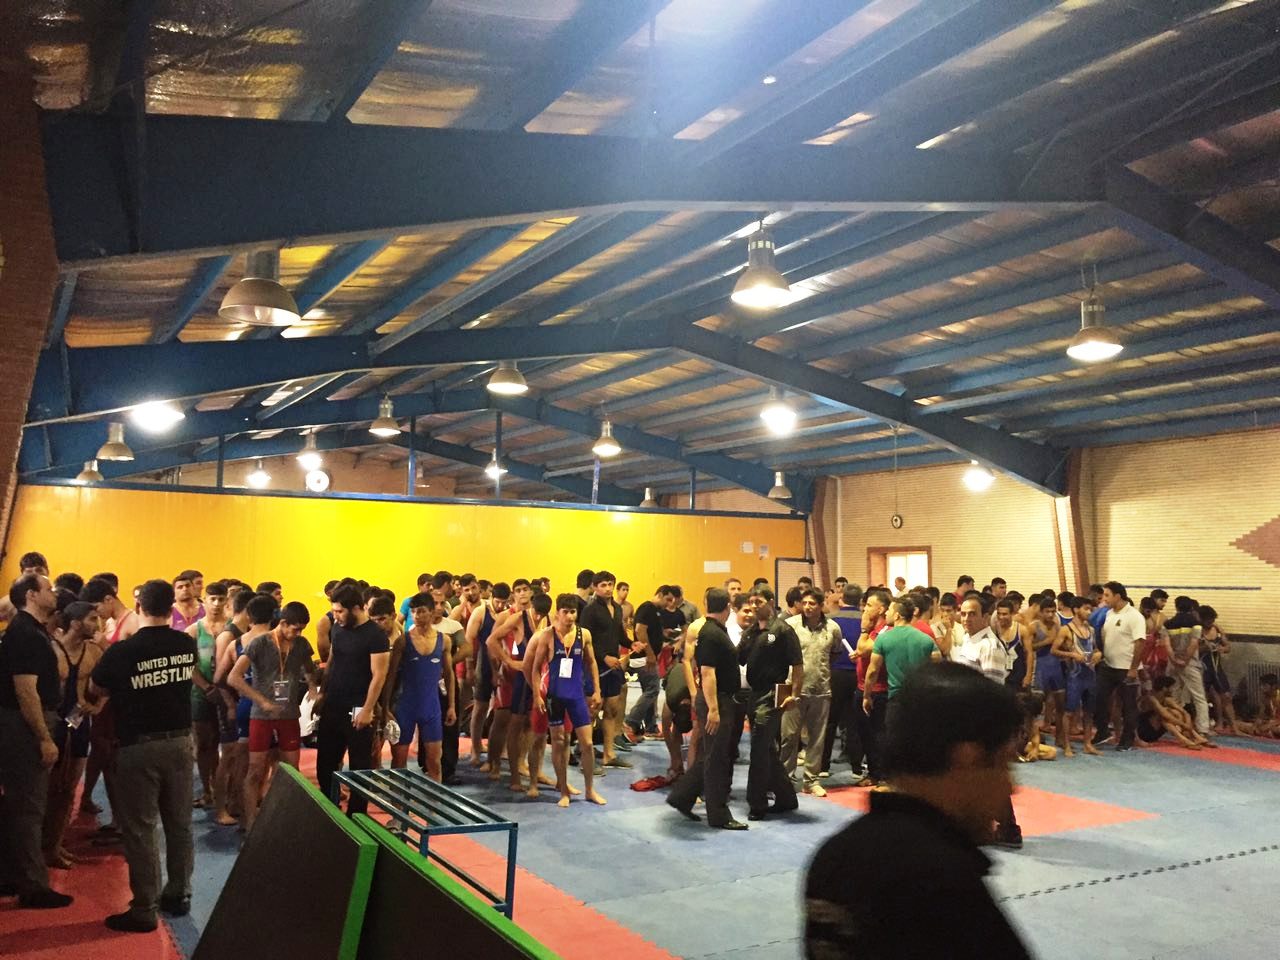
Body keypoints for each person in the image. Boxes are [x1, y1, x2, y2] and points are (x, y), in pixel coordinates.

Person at [805, 662, 1031, 960]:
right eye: (1003, 764)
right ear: (968, 759)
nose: (1011, 787)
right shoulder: (943, 883)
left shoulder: (835, 856)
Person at [88, 578, 198, 932]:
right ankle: (179, 894)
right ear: (171, 607)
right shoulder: (186, 644)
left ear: (139, 607)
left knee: (141, 829)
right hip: (181, 742)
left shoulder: (123, 651)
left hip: (139, 745)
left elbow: (96, 687)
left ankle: (144, 909)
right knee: (180, 824)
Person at [0, 573, 73, 909]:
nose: (53, 594)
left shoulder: (30, 631)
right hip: (26, 725)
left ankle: (12, 875)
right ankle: (33, 886)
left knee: (20, 804)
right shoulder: (26, 634)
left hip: (24, 721)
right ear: (31, 595)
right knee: (29, 806)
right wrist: (44, 737)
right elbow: (26, 690)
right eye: (48, 589)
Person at [229, 598, 318, 832]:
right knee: (255, 770)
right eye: (295, 629)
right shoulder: (260, 643)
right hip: (261, 716)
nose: (298, 634)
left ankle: (282, 820)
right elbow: (234, 677)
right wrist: (261, 701)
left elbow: (310, 669)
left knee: (291, 771)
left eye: (302, 630)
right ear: (283, 623)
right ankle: (250, 823)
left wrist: (312, 687)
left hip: (288, 715)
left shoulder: (301, 644)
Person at [667, 588, 745, 829]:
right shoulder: (711, 633)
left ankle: (682, 796)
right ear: (728, 607)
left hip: (719, 699)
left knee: (711, 754)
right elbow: (707, 673)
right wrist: (713, 709)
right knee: (717, 759)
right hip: (717, 700)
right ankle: (718, 814)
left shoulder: (712, 630)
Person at [953, 596, 1022, 849]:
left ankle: (1009, 829)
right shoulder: (968, 640)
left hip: (982, 721)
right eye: (963, 613)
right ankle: (985, 826)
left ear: (984, 616)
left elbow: (992, 690)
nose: (966, 618)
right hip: (966, 718)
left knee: (987, 776)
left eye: (972, 614)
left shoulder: (989, 645)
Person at [316, 585, 390, 815]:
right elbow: (332, 662)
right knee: (325, 762)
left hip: (358, 706)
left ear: (356, 608)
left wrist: (368, 709)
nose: (335, 616)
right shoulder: (338, 629)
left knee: (359, 765)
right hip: (333, 703)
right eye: (334, 611)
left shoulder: (375, 635)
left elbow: (379, 675)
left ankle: (356, 814)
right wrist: (322, 693)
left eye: (339, 611)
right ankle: (329, 808)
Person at [526, 594, 604, 807]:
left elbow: (592, 663)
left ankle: (590, 790)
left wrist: (597, 690)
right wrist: (537, 695)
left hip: (576, 696)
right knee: (558, 743)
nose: (570, 616)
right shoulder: (547, 636)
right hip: (554, 697)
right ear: (557, 613)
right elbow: (535, 668)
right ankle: (563, 790)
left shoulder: (583, 634)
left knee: (587, 743)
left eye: (573, 612)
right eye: (565, 612)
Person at [44, 600, 104, 869]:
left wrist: (98, 706)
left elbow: (110, 681)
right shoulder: (51, 650)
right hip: (53, 724)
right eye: (92, 619)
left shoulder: (94, 651)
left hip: (78, 723)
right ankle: (39, 846)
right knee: (47, 789)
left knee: (68, 789)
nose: (97, 624)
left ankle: (55, 846)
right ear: (76, 623)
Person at [738, 587, 802, 821]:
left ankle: (757, 804)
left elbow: (798, 665)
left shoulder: (783, 630)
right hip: (754, 693)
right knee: (766, 749)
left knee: (758, 748)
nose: (754, 606)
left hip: (773, 695)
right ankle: (786, 797)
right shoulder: (751, 632)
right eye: (752, 602)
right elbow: (738, 658)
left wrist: (794, 695)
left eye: (759, 601)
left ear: (771, 602)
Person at [387, 593, 455, 781]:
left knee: (434, 762)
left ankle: (434, 800)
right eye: (414, 612)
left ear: (432, 612)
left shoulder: (444, 641)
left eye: (421, 611)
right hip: (405, 708)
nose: (416, 616)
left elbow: (449, 675)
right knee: (399, 762)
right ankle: (398, 799)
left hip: (431, 708)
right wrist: (385, 708)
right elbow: (391, 677)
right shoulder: (403, 641)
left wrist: (451, 706)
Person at [782, 588, 840, 797]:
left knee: (817, 738)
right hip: (793, 690)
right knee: (789, 737)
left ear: (821, 605)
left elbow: (835, 654)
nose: (807, 607)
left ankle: (811, 780)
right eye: (804, 603)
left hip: (821, 689)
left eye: (812, 603)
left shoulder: (833, 628)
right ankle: (785, 779)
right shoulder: (790, 626)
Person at [864, 596, 940, 733]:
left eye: (889, 610)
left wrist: (866, 695)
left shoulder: (883, 639)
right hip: (920, 699)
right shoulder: (927, 640)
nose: (886, 613)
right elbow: (937, 669)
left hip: (896, 698)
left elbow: (873, 671)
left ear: (897, 615)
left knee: (895, 737)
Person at [210, 586, 252, 826]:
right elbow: (220, 677)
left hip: (237, 701)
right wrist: (230, 705)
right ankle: (219, 809)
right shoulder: (228, 636)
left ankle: (235, 801)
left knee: (238, 757)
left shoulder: (243, 633)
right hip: (229, 702)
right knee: (227, 757)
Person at [580, 571, 630, 768]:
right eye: (603, 585)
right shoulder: (589, 611)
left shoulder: (617, 608)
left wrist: (632, 644)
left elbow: (619, 634)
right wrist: (603, 657)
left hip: (614, 667)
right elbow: (585, 639)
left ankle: (609, 754)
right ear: (595, 587)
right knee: (591, 712)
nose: (608, 588)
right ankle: (584, 754)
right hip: (595, 667)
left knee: (611, 710)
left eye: (610, 584)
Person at [186, 581, 227, 810]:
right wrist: (206, 687)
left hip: (226, 694)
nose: (217, 604)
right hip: (201, 694)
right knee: (203, 744)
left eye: (221, 599)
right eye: (213, 599)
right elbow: (188, 664)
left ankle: (222, 788)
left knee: (225, 744)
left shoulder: (232, 628)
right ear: (205, 601)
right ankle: (206, 790)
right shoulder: (193, 631)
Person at [1092, 581, 1146, 751]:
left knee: (1128, 705)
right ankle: (1102, 731)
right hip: (1107, 665)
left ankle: (1127, 739)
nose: (1104, 599)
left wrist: (1133, 668)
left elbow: (1140, 643)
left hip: (1126, 668)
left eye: (1107, 595)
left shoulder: (1135, 616)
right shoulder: (1108, 614)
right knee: (1098, 699)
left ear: (1118, 596)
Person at [465, 582, 510, 767]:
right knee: (480, 707)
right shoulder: (480, 612)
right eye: (498, 601)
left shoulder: (509, 613)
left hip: (503, 663)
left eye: (504, 602)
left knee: (504, 710)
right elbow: (469, 639)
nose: (500, 605)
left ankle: (502, 748)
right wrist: (469, 668)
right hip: (483, 663)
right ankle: (475, 749)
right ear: (491, 597)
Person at [822, 583, 863, 776]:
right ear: (860, 601)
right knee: (854, 721)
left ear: (841, 599)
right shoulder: (865, 621)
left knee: (830, 721)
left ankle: (823, 766)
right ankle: (856, 766)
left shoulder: (830, 621)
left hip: (835, 673)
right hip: (858, 674)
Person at [1054, 595, 1102, 757]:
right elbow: (1054, 650)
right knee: (1069, 712)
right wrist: (1072, 655)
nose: (1089, 612)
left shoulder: (1091, 630)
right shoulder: (1066, 630)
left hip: (1090, 675)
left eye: (1090, 609)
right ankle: (1067, 744)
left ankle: (1088, 743)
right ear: (1076, 609)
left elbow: (1095, 649)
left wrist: (1098, 654)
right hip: (1075, 676)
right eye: (1086, 609)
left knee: (1089, 712)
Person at [853, 589, 890, 787]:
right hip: (862, 687)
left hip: (879, 690)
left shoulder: (885, 630)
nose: (864, 609)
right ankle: (873, 773)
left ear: (881, 609)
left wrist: (863, 630)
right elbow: (862, 651)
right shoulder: (873, 630)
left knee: (879, 734)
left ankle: (883, 775)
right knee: (865, 734)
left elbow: (865, 648)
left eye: (869, 605)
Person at [1164, 596, 1210, 738]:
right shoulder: (1196, 624)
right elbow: (1194, 643)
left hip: (1172, 664)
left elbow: (1167, 645)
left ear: (1176, 607)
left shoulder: (1168, 624)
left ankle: (1176, 725)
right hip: (1190, 664)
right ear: (1191, 608)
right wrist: (1185, 660)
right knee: (1199, 697)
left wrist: (1174, 659)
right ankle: (1203, 729)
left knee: (1174, 695)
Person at [1139, 676, 1214, 749]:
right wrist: (1184, 725)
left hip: (1156, 732)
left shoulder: (1167, 699)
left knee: (1175, 712)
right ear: (1164, 688)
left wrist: (1188, 726)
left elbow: (1185, 713)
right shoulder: (1151, 699)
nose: (1173, 690)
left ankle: (1193, 737)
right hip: (1145, 732)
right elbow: (1165, 714)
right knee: (1164, 716)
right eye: (1171, 687)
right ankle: (1185, 740)